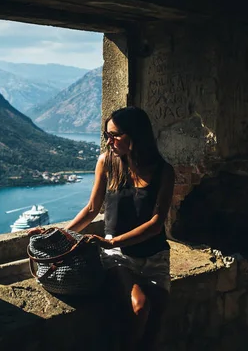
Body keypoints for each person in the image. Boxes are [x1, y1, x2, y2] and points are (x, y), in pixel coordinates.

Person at [48, 106, 174, 350]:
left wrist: (111, 242)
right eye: (107, 135)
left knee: (154, 324)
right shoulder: (107, 162)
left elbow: (156, 225)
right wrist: (58, 236)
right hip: (119, 256)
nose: (109, 141)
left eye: (115, 135)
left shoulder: (163, 171)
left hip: (155, 257)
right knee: (140, 307)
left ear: (136, 135)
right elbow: (92, 209)